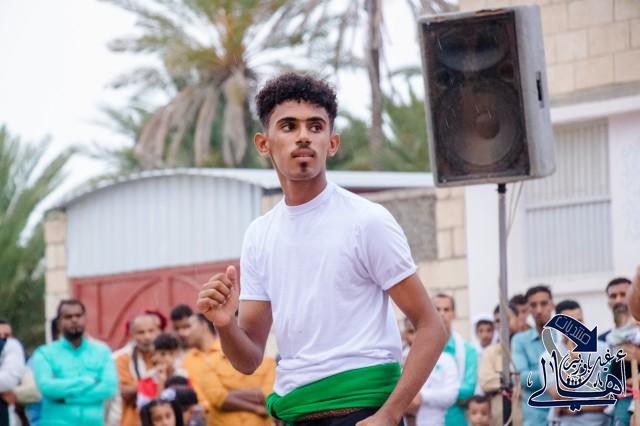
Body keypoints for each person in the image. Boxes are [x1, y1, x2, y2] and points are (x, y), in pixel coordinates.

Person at [196, 73, 447, 426]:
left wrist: (390, 414)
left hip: (364, 411)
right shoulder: (259, 235)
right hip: (295, 413)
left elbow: (431, 325)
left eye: (315, 126)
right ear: (263, 144)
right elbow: (249, 359)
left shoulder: (367, 220)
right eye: (288, 126)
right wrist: (224, 325)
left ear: (332, 142)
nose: (303, 135)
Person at [31, 299, 117, 426]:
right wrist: (87, 382)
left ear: (85, 319)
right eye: (68, 317)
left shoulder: (102, 352)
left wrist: (65, 398)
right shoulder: (44, 353)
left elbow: (109, 388)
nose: (74, 320)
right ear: (59, 323)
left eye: (78, 315)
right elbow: (47, 387)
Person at [184, 314, 275, 425]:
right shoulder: (208, 362)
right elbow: (218, 397)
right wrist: (256, 407)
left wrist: (229, 395)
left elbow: (269, 394)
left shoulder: (268, 363)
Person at [546, 300, 610, 426]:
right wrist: (572, 363)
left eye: (579, 322)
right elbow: (560, 398)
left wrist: (576, 407)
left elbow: (607, 398)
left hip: (598, 423)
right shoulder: (549, 356)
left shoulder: (602, 350)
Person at [511, 285, 555, 426]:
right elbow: (522, 377)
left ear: (552, 305)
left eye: (544, 303)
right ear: (528, 309)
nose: (539, 310)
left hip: (566, 415)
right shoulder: (519, 340)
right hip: (535, 417)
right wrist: (556, 376)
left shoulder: (564, 337)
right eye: (534, 305)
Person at [432, 293, 478, 426]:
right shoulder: (422, 349)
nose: (442, 314)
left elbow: (468, 390)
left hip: (457, 420)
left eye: (446, 309)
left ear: (454, 314)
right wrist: (450, 393)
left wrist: (430, 394)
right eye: (437, 309)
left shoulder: (468, 350)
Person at [403, 318, 459, 426]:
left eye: (419, 331)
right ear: (405, 335)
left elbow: (451, 395)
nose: (416, 336)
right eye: (411, 331)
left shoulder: (446, 360)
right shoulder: (398, 359)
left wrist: (422, 396)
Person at [478, 304, 522, 426]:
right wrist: (515, 383)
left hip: (525, 415)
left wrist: (502, 383)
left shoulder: (526, 348)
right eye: (498, 321)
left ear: (517, 319)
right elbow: (486, 382)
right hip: (498, 416)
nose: (502, 324)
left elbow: (530, 380)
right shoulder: (490, 352)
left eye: (507, 318)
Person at [114, 313, 162, 426]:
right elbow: (125, 392)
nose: (147, 337)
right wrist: (156, 382)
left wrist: (138, 388)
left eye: (151, 331)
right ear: (131, 335)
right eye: (141, 332)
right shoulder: (122, 358)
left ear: (158, 331)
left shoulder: (165, 354)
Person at [137, 333, 188, 409]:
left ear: (176, 354)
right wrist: (161, 383)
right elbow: (146, 410)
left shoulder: (184, 376)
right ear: (153, 356)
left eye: (171, 354)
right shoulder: (147, 380)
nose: (168, 358)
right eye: (162, 354)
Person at [0, 319, 25, 426]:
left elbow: (35, 390)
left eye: (6, 335)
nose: (2, 338)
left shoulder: (14, 351)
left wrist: (16, 393)